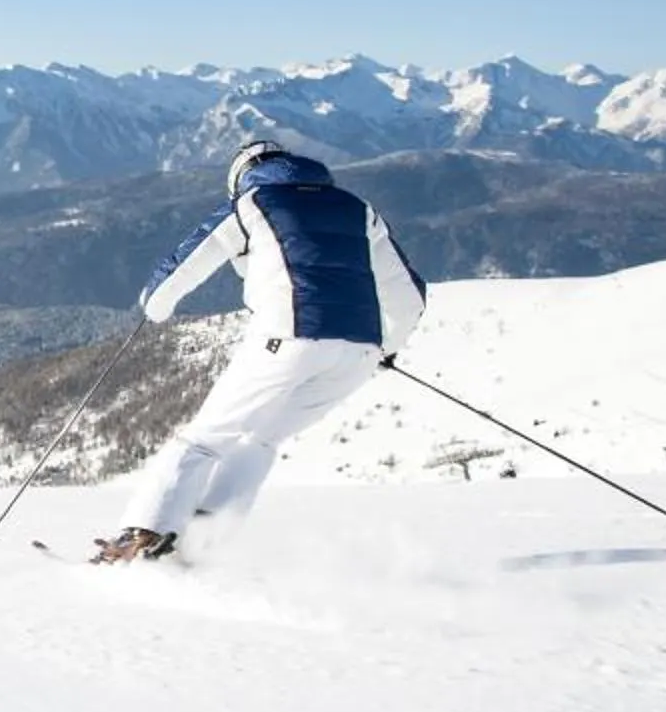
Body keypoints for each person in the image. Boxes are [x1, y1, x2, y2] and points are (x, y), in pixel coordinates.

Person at [89, 141, 427, 564]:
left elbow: (186, 262)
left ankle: (143, 535)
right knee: (260, 439)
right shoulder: (358, 208)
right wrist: (386, 349)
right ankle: (198, 546)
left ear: (241, 177)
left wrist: (155, 306)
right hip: (357, 352)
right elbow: (410, 297)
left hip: (288, 337)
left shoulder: (253, 204)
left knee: (202, 441)